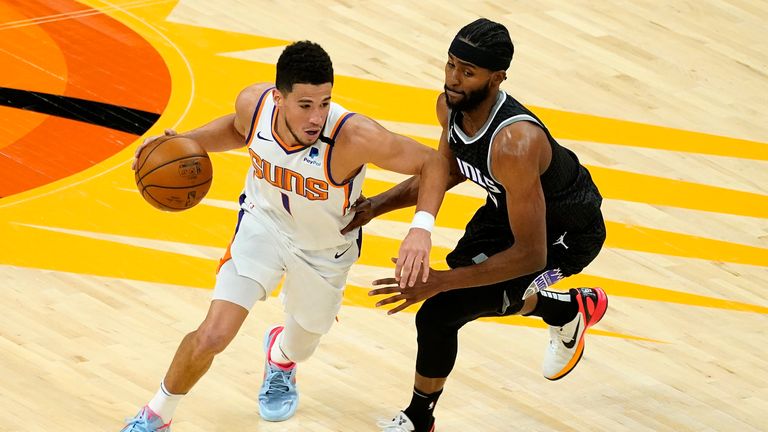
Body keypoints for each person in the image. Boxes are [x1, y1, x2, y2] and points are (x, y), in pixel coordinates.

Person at [121, 40, 448, 431]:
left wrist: (421, 229)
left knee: (303, 341)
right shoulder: (254, 104)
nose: (316, 117)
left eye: (325, 103)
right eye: (305, 105)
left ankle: (280, 357)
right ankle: (157, 415)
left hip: (325, 250)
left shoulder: (355, 136)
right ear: (278, 98)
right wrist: (179, 145)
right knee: (213, 334)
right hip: (263, 226)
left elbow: (433, 163)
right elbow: (237, 128)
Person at [343, 19, 608, 432]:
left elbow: (531, 254)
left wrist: (440, 282)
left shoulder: (515, 143)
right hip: (505, 213)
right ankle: (569, 308)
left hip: (566, 237)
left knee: (440, 312)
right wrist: (374, 207)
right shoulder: (449, 107)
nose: (453, 79)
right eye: (450, 65)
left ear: (497, 77)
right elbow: (445, 172)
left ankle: (418, 420)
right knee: (479, 293)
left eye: (467, 72)